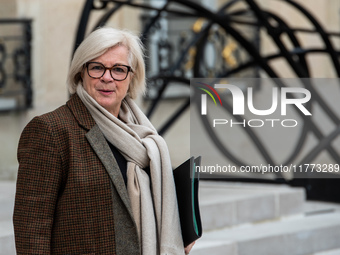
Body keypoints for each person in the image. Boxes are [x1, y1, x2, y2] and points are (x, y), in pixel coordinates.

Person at [13, 27, 195, 255]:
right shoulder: (51, 130)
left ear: (131, 76)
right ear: (81, 72)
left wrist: (176, 233)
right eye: (97, 67)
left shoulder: (142, 135)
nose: (107, 77)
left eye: (118, 69)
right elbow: (31, 230)